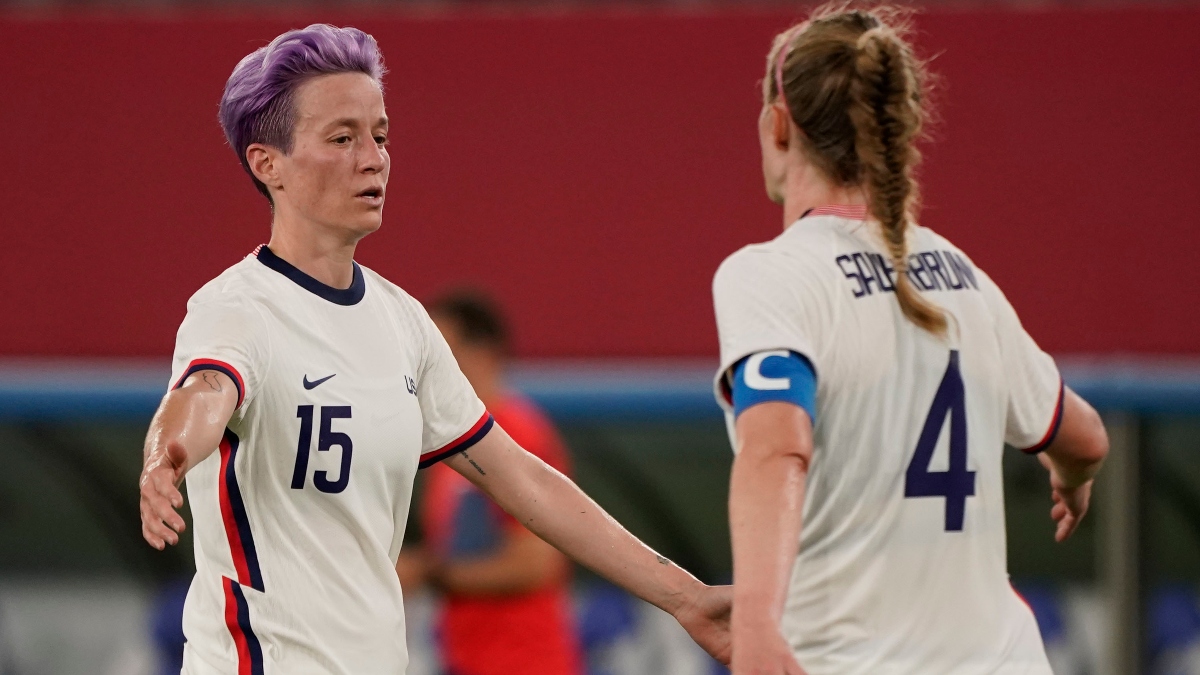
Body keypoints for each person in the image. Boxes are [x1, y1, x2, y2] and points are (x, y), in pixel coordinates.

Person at [136, 24, 729, 675]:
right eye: (342, 138)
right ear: (266, 163)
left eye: (381, 135)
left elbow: (521, 477)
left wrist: (686, 596)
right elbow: (204, 392)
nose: (374, 158)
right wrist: (167, 453)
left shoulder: (404, 323)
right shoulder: (238, 307)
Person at [712, 7, 1110, 675]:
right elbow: (1086, 437)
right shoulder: (964, 277)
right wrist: (1072, 476)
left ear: (777, 124)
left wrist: (754, 622)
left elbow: (778, 443)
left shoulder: (772, 275)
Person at [395, 290, 584, 675]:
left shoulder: (516, 434)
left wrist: (428, 573)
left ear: (480, 352)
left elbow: (534, 562)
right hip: (471, 658)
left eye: (439, 347)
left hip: (524, 662)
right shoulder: (451, 445)